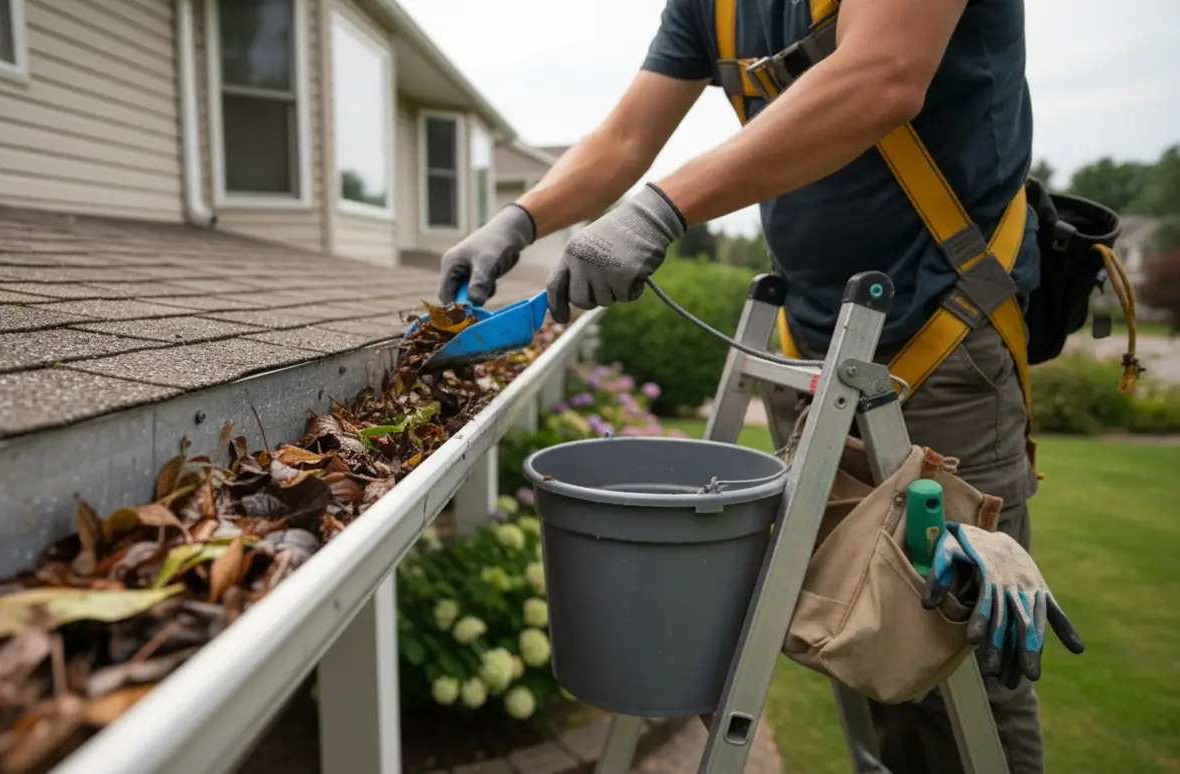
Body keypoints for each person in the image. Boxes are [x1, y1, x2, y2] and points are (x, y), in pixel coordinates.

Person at [436, 0, 1062, 771]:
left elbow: (884, 75)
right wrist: (521, 219)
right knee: (871, 645)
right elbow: (628, 136)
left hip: (947, 342)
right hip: (818, 358)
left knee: (964, 675)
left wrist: (661, 210)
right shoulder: (712, 5)